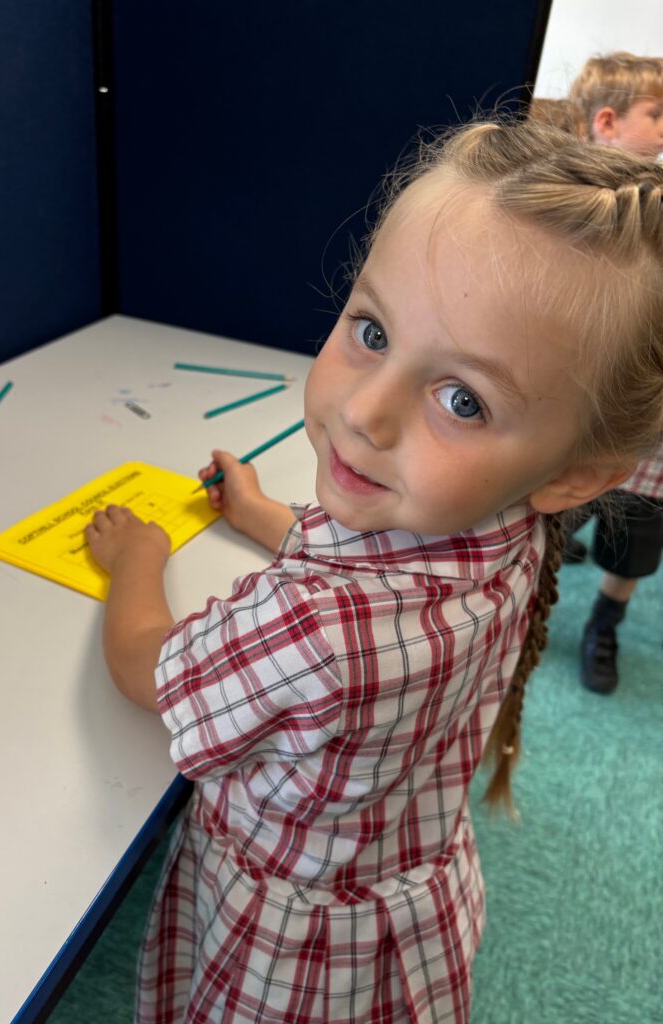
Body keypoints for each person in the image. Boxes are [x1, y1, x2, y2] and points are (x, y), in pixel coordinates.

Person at [85, 120, 663, 1024]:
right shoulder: (508, 524)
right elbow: (372, 571)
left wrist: (139, 560)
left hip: (289, 950)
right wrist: (260, 515)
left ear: (572, 476)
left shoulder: (312, 628)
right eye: (371, 329)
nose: (364, 410)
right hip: (402, 883)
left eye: (461, 400)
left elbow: (147, 671)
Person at [565, 52, 663, 693]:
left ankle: (605, 621)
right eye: (657, 114)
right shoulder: (570, 199)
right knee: (545, 515)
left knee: (635, 538)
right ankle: (529, 597)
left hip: (650, 428)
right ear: (607, 120)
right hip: (580, 417)